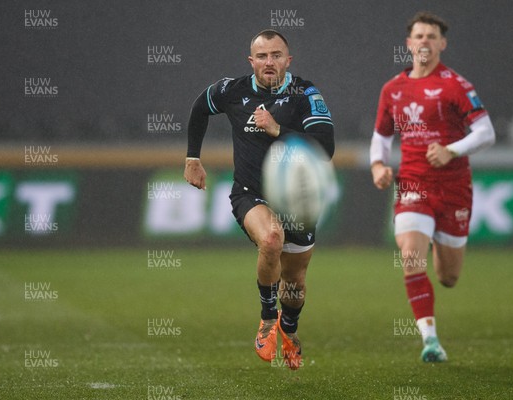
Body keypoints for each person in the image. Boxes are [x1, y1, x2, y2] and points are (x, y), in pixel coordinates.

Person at [184, 29, 334, 370]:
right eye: (262, 56)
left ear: (288, 60)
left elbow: (325, 148)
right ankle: (268, 320)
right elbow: (199, 106)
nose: (270, 62)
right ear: (251, 61)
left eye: (276, 55)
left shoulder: (305, 93)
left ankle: (290, 329)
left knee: (294, 282)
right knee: (271, 239)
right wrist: (193, 157)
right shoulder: (232, 90)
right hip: (251, 194)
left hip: (299, 201)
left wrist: (278, 130)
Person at [370, 12, 495, 362]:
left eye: (431, 36)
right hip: (413, 183)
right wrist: (378, 165)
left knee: (449, 276)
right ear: (409, 44)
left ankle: (443, 245)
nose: (424, 41)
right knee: (411, 255)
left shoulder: (456, 85)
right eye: (419, 36)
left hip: (453, 188)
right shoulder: (392, 89)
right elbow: (381, 135)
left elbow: (487, 133)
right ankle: (431, 340)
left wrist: (451, 150)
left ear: (442, 44)